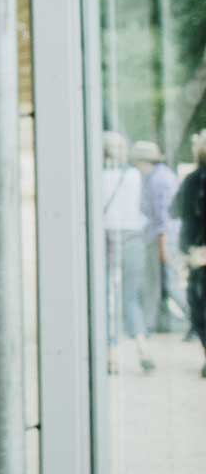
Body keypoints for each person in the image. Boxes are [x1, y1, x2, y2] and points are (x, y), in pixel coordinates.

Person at [102, 132, 154, 373]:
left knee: (107, 297)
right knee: (131, 297)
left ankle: (112, 355)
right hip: (133, 237)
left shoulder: (98, 177)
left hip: (106, 237)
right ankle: (142, 348)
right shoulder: (133, 176)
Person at [130, 139, 187, 333]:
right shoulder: (156, 177)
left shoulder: (158, 180)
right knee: (161, 282)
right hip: (159, 237)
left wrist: (162, 246)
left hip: (162, 238)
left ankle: (195, 319)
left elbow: (164, 217)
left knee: (169, 281)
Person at [171, 131, 206, 378]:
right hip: (198, 252)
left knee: (199, 306)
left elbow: (177, 211)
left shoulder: (193, 180)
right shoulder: (193, 180)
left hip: (198, 253)